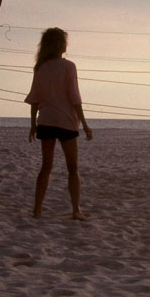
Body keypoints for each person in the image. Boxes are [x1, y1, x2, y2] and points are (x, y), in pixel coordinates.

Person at [25, 27, 92, 220]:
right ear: (60, 44)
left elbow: (35, 98)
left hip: (46, 120)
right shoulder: (68, 66)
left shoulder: (40, 67)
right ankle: (76, 210)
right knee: (73, 168)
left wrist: (33, 124)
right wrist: (85, 124)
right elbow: (74, 97)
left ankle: (37, 210)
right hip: (66, 121)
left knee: (46, 166)